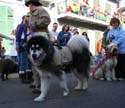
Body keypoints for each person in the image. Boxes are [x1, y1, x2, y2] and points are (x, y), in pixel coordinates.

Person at [16, 15, 32, 84]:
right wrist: (17, 45)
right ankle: (23, 77)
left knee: (29, 62)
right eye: (27, 18)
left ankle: (29, 76)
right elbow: (18, 37)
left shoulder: (29, 27)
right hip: (23, 45)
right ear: (23, 19)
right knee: (24, 62)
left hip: (28, 45)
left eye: (28, 18)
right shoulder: (21, 26)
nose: (28, 19)